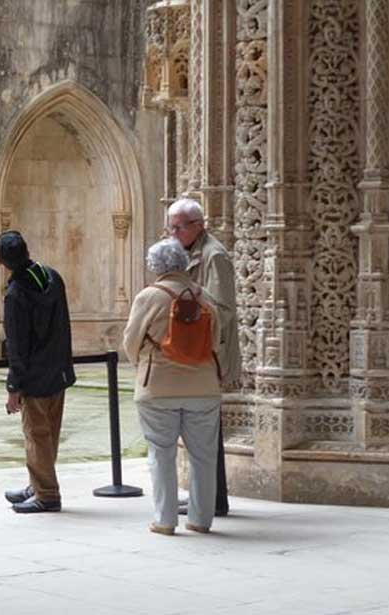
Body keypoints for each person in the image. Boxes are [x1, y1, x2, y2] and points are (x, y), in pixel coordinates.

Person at [123, 238, 222, 535]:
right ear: (183, 264)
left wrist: (143, 364)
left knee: (161, 454)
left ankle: (165, 520)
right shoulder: (205, 298)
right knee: (204, 456)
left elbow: (130, 342)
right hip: (204, 388)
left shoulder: (149, 297)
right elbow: (215, 342)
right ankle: (201, 520)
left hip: (159, 389)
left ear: (155, 266)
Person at [167, 198, 239, 517]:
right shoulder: (191, 252)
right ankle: (208, 496)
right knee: (203, 429)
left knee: (206, 429)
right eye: (171, 227)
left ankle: (212, 499)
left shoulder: (214, 256)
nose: (173, 233)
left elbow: (223, 308)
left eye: (179, 227)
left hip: (209, 352)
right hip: (198, 350)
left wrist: (188, 295)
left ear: (198, 226)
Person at [0, 231, 76, 513]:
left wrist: (13, 388)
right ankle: (38, 483)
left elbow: (17, 347)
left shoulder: (16, 294)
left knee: (37, 434)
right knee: (49, 433)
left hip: (34, 377)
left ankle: (47, 494)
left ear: (2, 262)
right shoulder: (53, 277)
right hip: (58, 371)